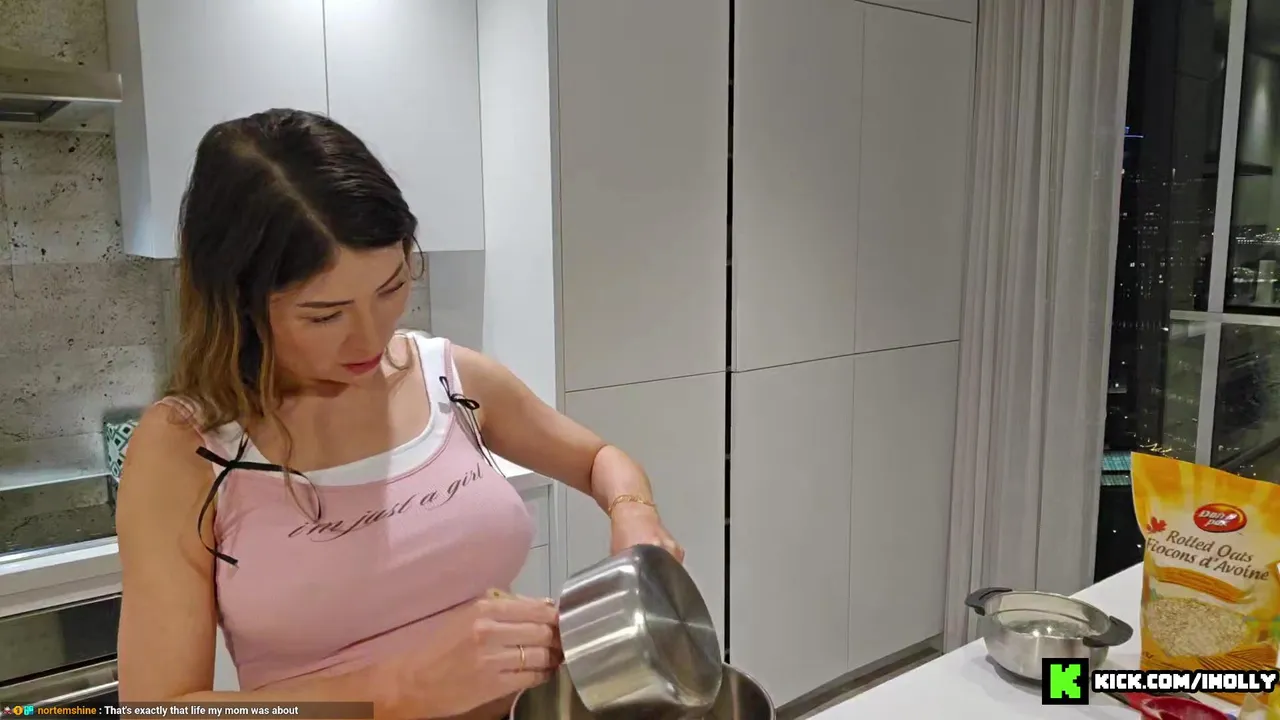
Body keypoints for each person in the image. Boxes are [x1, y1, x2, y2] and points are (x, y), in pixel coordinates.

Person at [115, 108, 684, 720]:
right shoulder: (186, 447)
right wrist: (399, 689)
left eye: (391, 288)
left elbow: (599, 460)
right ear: (238, 301)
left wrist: (634, 513)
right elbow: (159, 709)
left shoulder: (449, 379)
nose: (370, 337)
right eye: (325, 315)